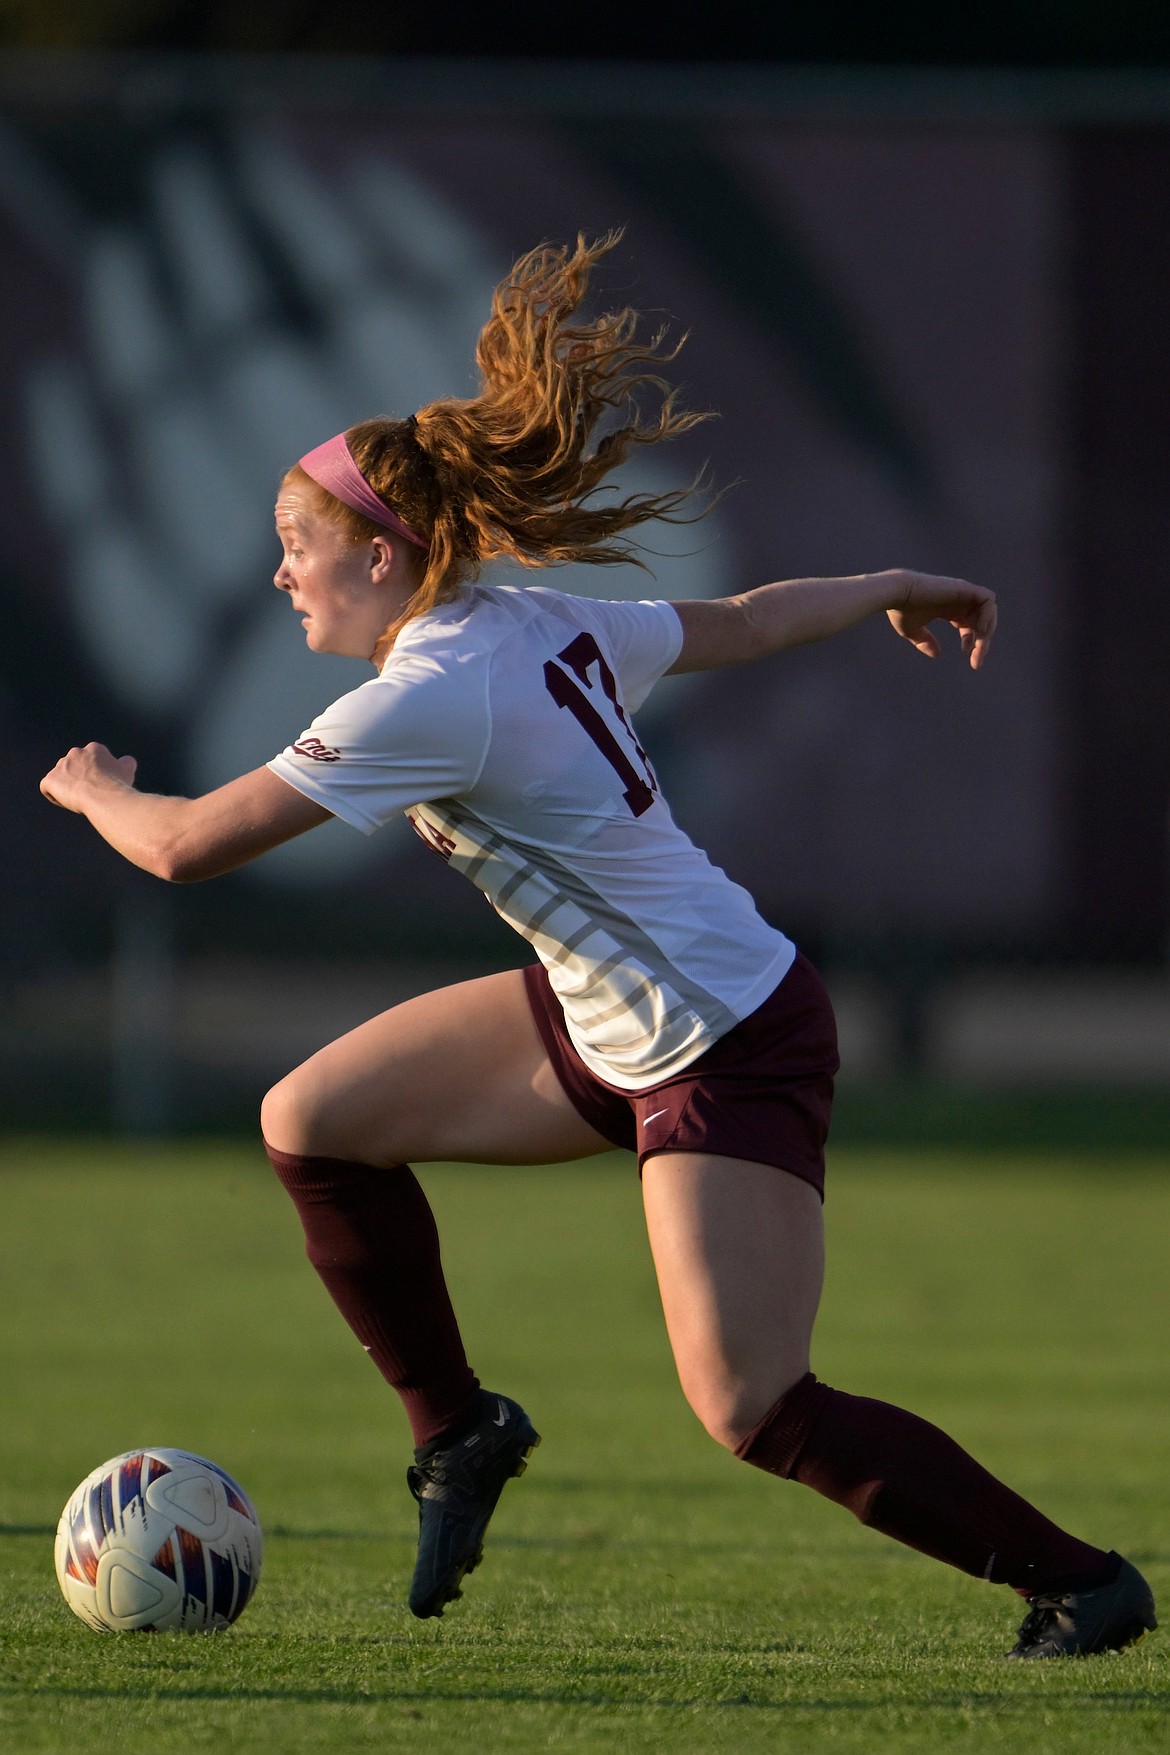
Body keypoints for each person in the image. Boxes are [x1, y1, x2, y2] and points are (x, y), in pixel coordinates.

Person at [41, 235, 1155, 1659]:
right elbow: (740, 621)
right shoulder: (519, 621)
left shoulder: (431, 691)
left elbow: (183, 846)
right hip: (604, 1008)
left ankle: (1081, 1583)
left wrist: (91, 789)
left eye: (296, 550)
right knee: (310, 1120)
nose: (278, 578)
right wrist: (884, 582)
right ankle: (460, 1434)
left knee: (751, 1406)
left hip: (722, 1034)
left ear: (381, 555)